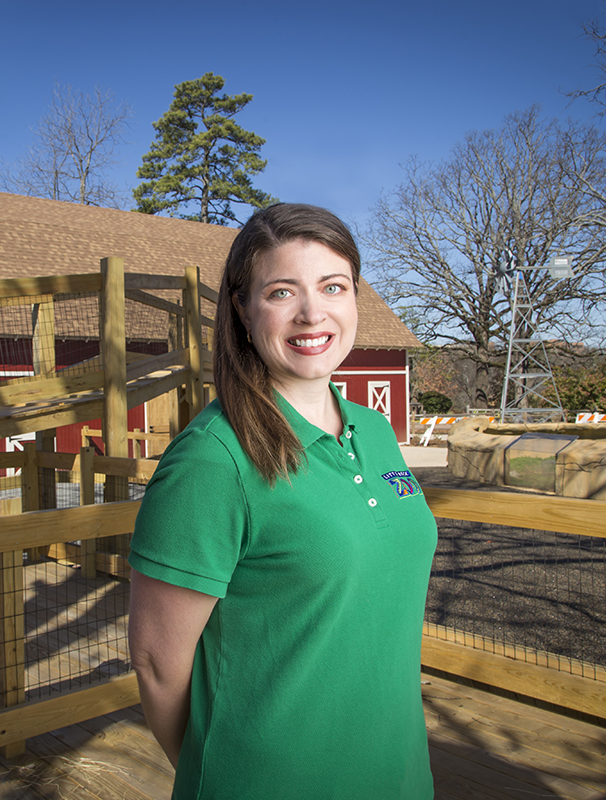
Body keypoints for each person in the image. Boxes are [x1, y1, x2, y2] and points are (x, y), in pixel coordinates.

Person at [128, 203, 437, 799]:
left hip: (395, 773)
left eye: (332, 287)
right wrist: (225, 774)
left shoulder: (374, 432)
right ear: (242, 310)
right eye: (281, 292)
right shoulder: (212, 460)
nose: (312, 313)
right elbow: (157, 663)